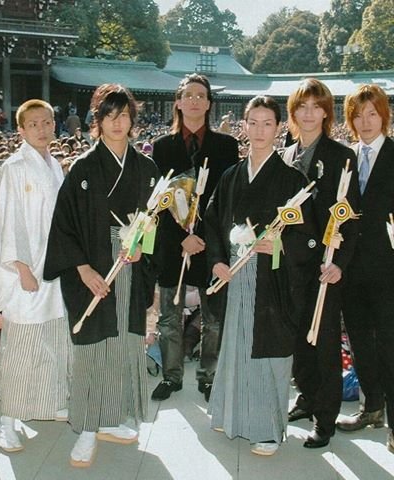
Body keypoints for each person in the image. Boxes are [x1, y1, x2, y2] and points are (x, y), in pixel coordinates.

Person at [44, 84, 158, 468]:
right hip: (92, 264)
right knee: (94, 347)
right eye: (109, 116)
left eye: (124, 115)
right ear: (98, 121)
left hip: (130, 263)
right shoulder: (83, 167)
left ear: (133, 120)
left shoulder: (147, 168)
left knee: (124, 343)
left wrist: (143, 246)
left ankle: (115, 417)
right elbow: (64, 225)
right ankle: (88, 428)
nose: (117, 123)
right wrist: (83, 268)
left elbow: (154, 222)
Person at [205, 95, 314, 456]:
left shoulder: (292, 179)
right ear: (244, 126)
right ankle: (233, 416)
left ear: (279, 128)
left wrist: (280, 246)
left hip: (273, 281)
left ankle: (266, 428)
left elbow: (309, 237)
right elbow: (212, 222)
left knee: (269, 354)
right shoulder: (231, 176)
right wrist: (217, 261)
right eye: (253, 123)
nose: (260, 130)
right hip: (236, 276)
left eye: (268, 123)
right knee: (236, 347)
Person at [151, 73, 239, 402]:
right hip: (172, 244)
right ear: (178, 102)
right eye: (188, 95)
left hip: (211, 244)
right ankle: (171, 375)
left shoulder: (226, 147)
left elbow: (227, 199)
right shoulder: (162, 147)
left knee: (213, 318)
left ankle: (209, 376)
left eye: (201, 95)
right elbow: (157, 203)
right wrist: (181, 237)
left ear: (209, 103)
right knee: (169, 317)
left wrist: (203, 236)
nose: (194, 101)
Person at [282, 78, 360, 448]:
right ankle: (307, 396)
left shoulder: (342, 156)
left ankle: (325, 419)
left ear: (327, 112)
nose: (309, 113)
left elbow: (351, 217)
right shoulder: (285, 155)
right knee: (299, 339)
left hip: (324, 264)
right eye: (302, 106)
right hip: (291, 265)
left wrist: (339, 263)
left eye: (316, 106)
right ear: (293, 113)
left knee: (325, 341)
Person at [0, 99, 72, 452]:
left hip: (53, 268)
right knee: (22, 345)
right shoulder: (14, 166)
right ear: (21, 130)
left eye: (47, 122)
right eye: (33, 124)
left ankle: (47, 403)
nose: (41, 129)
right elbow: (9, 221)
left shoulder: (55, 166)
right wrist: (21, 267)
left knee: (52, 340)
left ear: (55, 125)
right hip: (25, 269)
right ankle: (8, 419)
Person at [336, 84, 394, 453]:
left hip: (388, 268)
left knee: (389, 344)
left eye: (372, 114)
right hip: (351, 267)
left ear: (384, 116)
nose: (365, 121)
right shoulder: (347, 158)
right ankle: (371, 406)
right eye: (358, 115)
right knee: (359, 341)